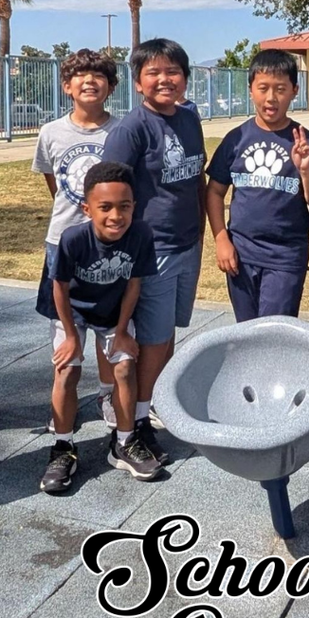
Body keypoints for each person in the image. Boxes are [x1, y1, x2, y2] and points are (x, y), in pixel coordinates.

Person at [102, 38, 206, 465]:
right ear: (138, 81)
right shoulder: (132, 129)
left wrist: (203, 230)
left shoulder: (188, 118)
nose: (165, 80)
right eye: (154, 73)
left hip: (188, 244)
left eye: (173, 71)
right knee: (152, 338)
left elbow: (195, 177)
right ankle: (134, 428)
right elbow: (108, 192)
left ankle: (154, 403)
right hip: (154, 250)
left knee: (167, 337)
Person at [39, 161, 163, 492]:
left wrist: (122, 330)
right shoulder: (73, 239)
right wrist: (70, 337)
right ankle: (63, 447)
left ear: (134, 206)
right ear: (87, 208)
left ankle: (123, 442)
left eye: (124, 207)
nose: (115, 216)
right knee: (67, 370)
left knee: (124, 368)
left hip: (112, 312)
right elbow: (60, 289)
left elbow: (134, 284)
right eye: (104, 207)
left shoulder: (140, 234)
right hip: (72, 312)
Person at [206, 49, 309, 321]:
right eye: (263, 88)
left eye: (280, 89)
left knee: (273, 334)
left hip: (285, 258)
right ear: (251, 89)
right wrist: (221, 239)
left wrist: (306, 169)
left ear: (294, 90)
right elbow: (215, 192)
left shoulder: (306, 142)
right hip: (240, 254)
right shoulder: (236, 138)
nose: (271, 98)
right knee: (246, 332)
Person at [32, 48, 120, 430]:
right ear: (67, 86)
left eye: (99, 75)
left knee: (109, 327)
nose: (90, 81)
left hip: (111, 246)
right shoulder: (50, 132)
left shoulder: (122, 130)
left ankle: (106, 393)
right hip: (63, 245)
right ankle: (63, 409)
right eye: (80, 75)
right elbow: (56, 184)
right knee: (64, 332)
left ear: (111, 87)